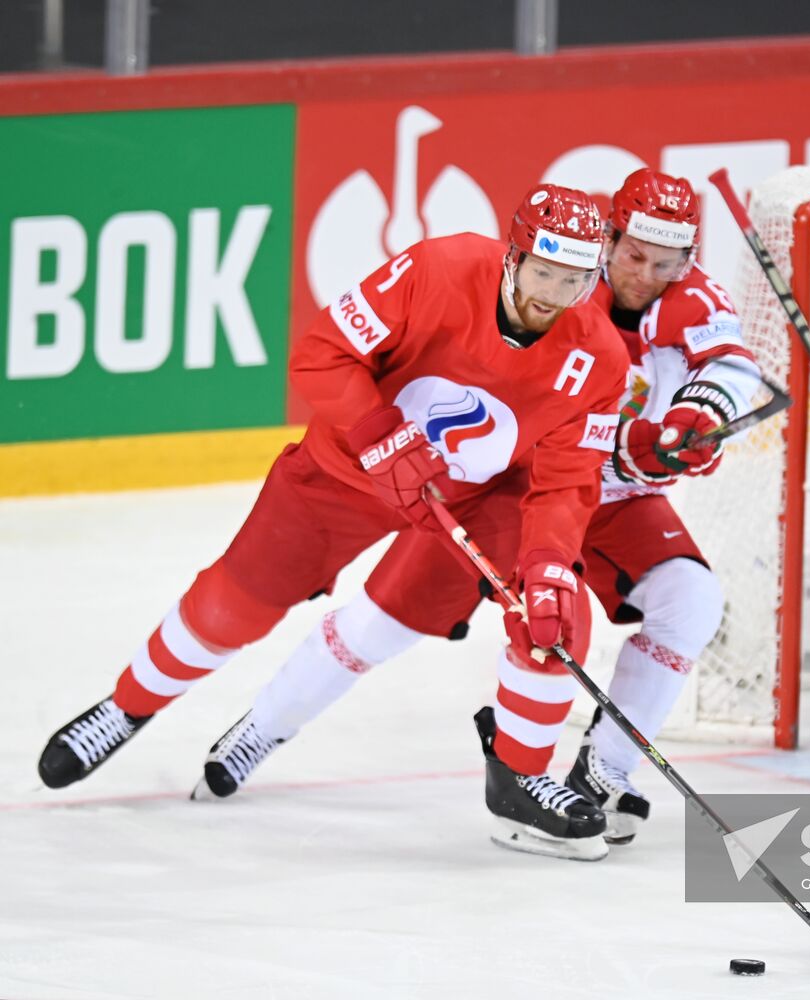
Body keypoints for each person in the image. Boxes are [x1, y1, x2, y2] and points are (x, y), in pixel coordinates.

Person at [39, 183, 631, 856]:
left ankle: (520, 781)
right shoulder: (437, 270)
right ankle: (128, 706)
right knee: (231, 609)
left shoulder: (600, 359)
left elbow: (568, 479)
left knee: (552, 611)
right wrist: (383, 435)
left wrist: (550, 561)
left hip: (473, 500)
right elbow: (320, 353)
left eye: (575, 279)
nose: (553, 294)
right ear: (513, 257)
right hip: (343, 473)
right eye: (543, 272)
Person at [184, 169, 762, 856]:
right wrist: (632, 447)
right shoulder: (561, 280)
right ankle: (263, 727)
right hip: (510, 493)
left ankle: (601, 773)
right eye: (635, 255)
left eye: (667, 263)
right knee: (381, 626)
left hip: (597, 497)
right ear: (606, 241)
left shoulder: (695, 300)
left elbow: (730, 367)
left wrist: (698, 421)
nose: (648, 275)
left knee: (690, 601)